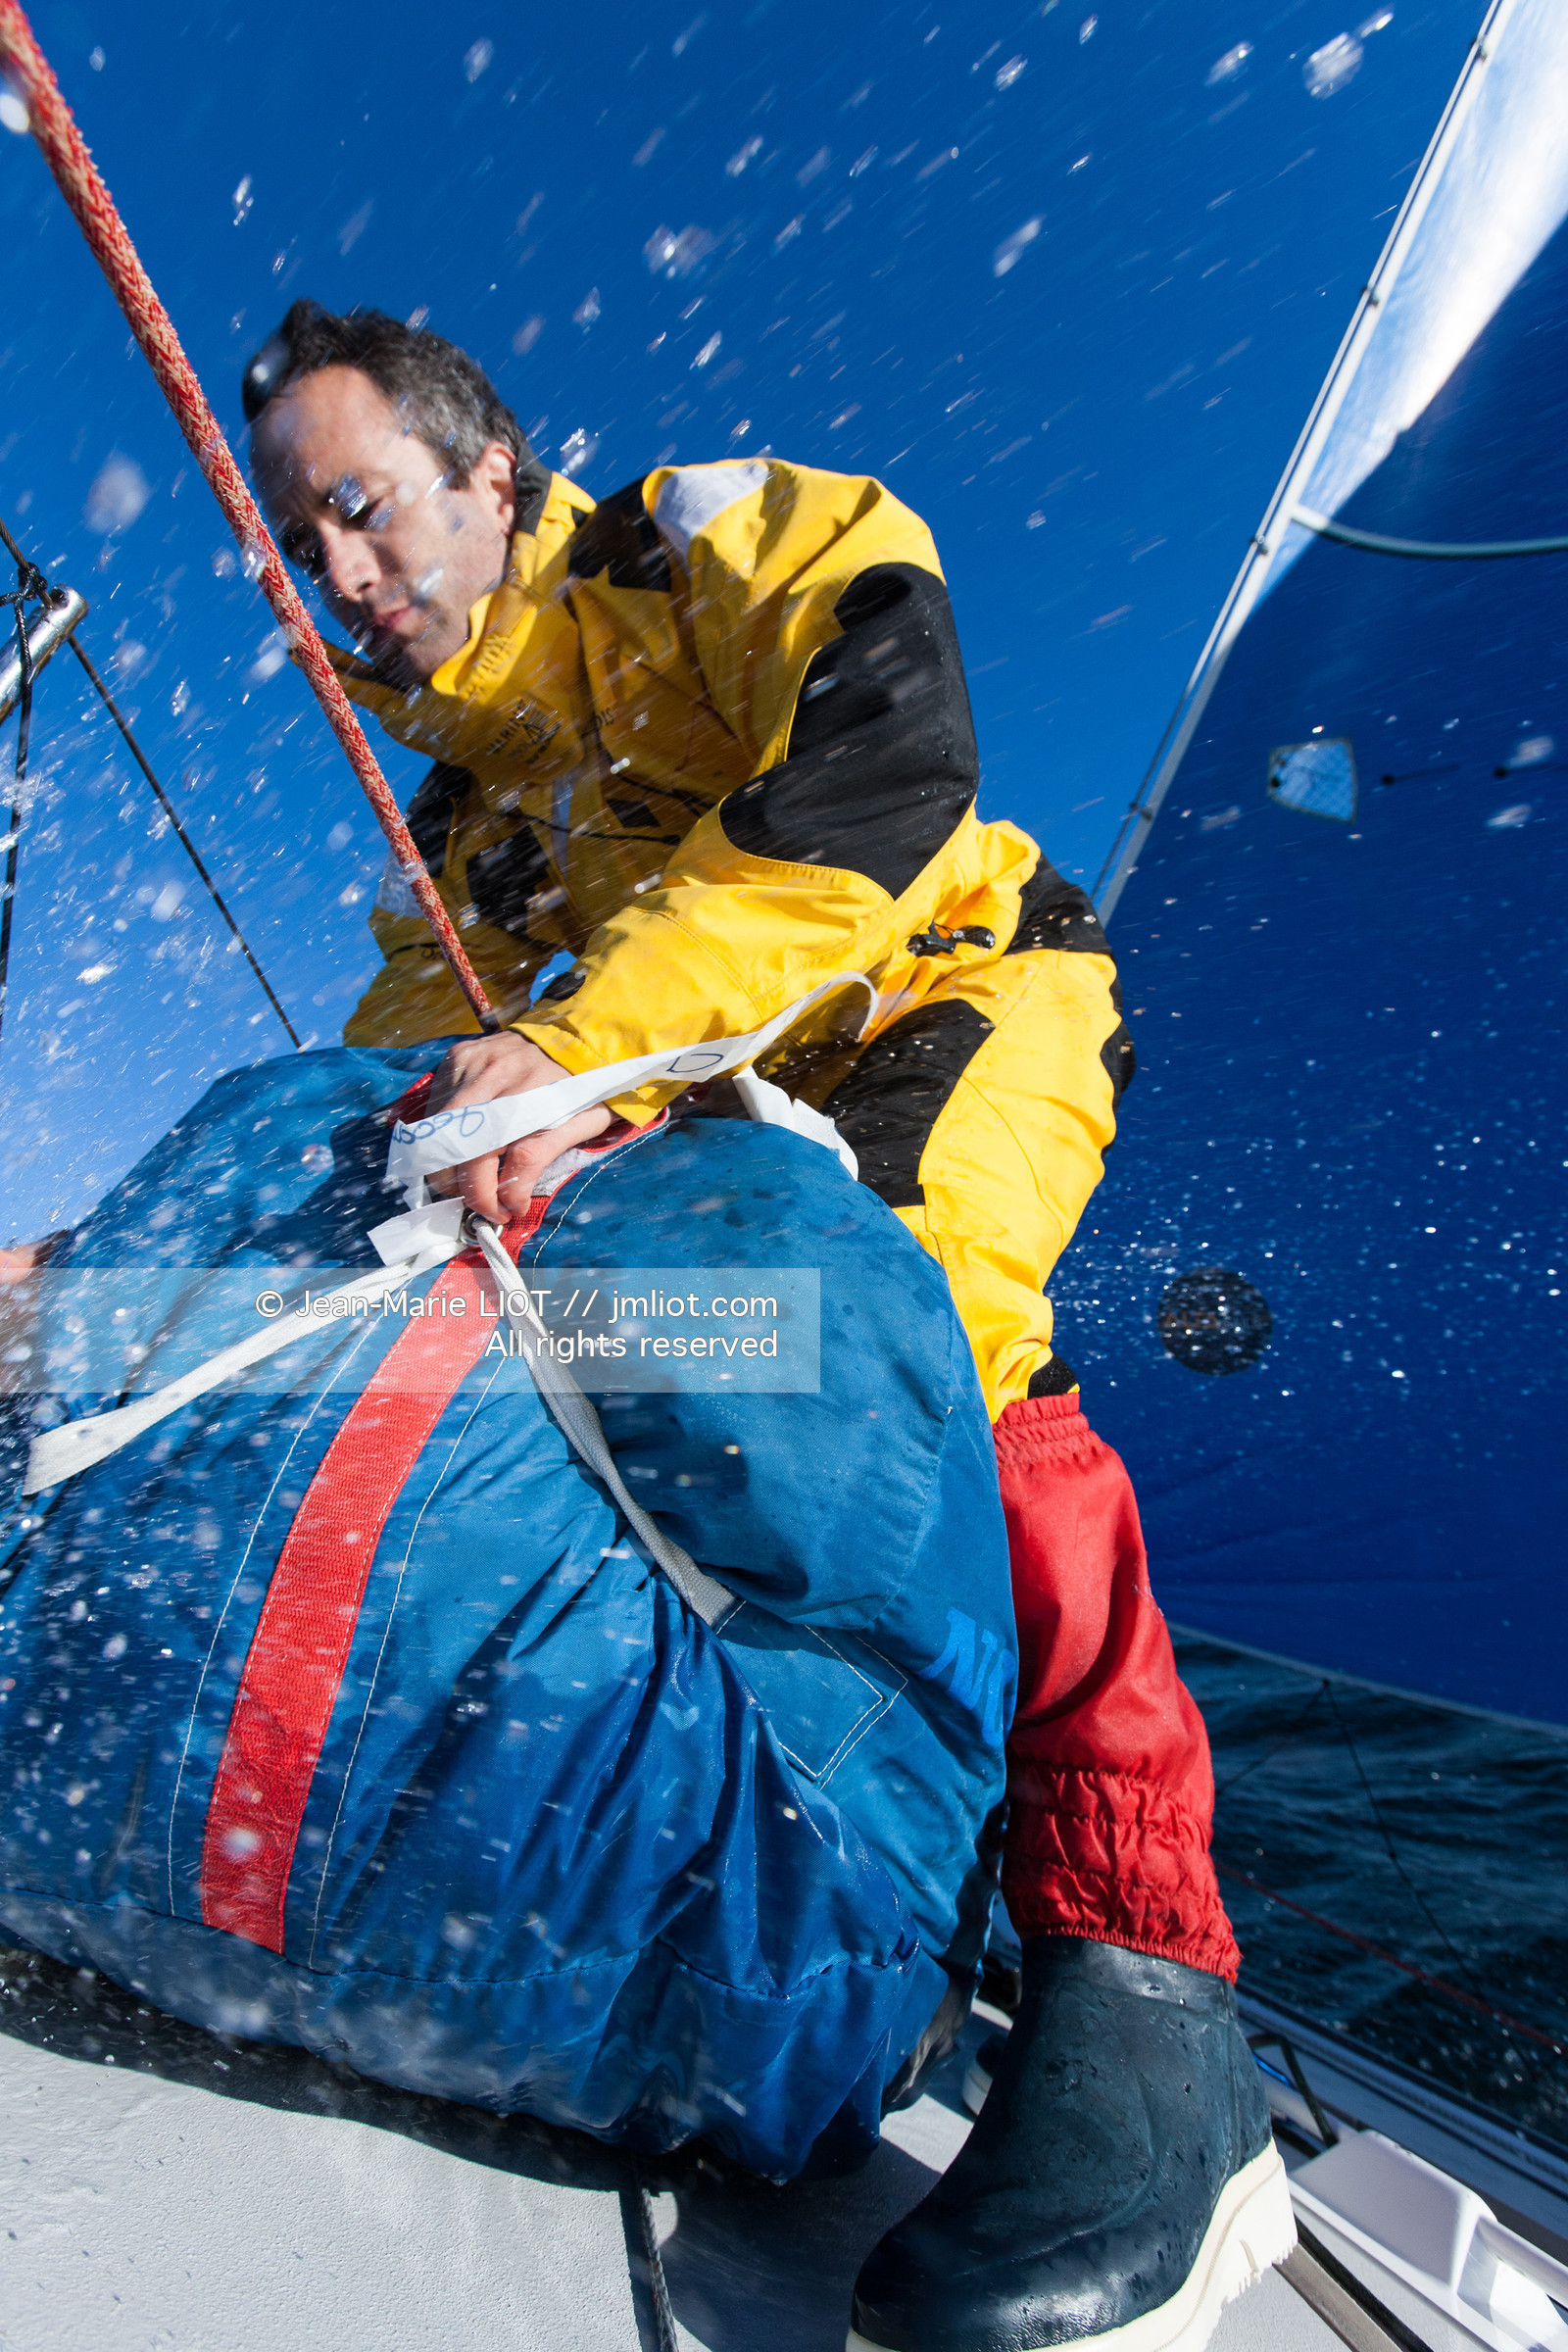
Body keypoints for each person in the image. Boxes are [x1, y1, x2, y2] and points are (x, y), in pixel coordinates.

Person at [237, 301, 1286, 2352]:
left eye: (360, 511)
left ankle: (1148, 1987)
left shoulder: (707, 535)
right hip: (688, 1097)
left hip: (944, 992)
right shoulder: (452, 829)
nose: (339, 579)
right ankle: (830, 1875)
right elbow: (399, 1085)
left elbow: (889, 759)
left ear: (491, 478)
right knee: (552, 1370)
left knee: (902, 1325)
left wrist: (555, 1050)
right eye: (299, 545)